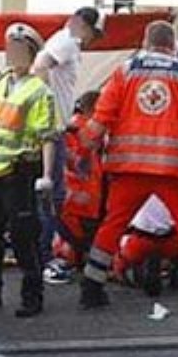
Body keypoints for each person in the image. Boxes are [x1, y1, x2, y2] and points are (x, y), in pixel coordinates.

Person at [79, 21, 178, 318]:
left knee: (113, 224)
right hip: (176, 169)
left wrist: (84, 148)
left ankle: (91, 287)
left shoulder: (125, 71)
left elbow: (102, 116)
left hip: (129, 167)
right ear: (173, 44)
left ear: (146, 42)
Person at [0, 22, 59, 318]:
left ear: (31, 54)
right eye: (11, 49)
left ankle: (32, 295)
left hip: (18, 173)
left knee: (24, 237)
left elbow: (47, 136)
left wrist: (47, 176)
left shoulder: (39, 92)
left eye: (20, 50)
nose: (13, 55)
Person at [33, 7, 103, 285]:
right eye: (93, 33)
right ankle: (44, 259)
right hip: (53, 129)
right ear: (81, 25)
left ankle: (44, 256)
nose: (92, 40)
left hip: (54, 128)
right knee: (51, 197)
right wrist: (48, 106)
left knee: (49, 197)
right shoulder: (66, 42)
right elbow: (40, 65)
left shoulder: (62, 42)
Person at [54, 90, 104, 269]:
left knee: (72, 245)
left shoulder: (69, 129)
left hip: (72, 202)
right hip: (85, 203)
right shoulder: (86, 131)